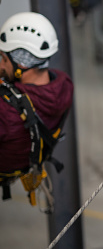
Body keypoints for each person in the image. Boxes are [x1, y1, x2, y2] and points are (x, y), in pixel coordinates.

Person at [0, 12, 73, 205]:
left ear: (21, 64)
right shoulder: (64, 85)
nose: (1, 65)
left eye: (4, 59)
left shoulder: (6, 113)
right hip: (25, 161)